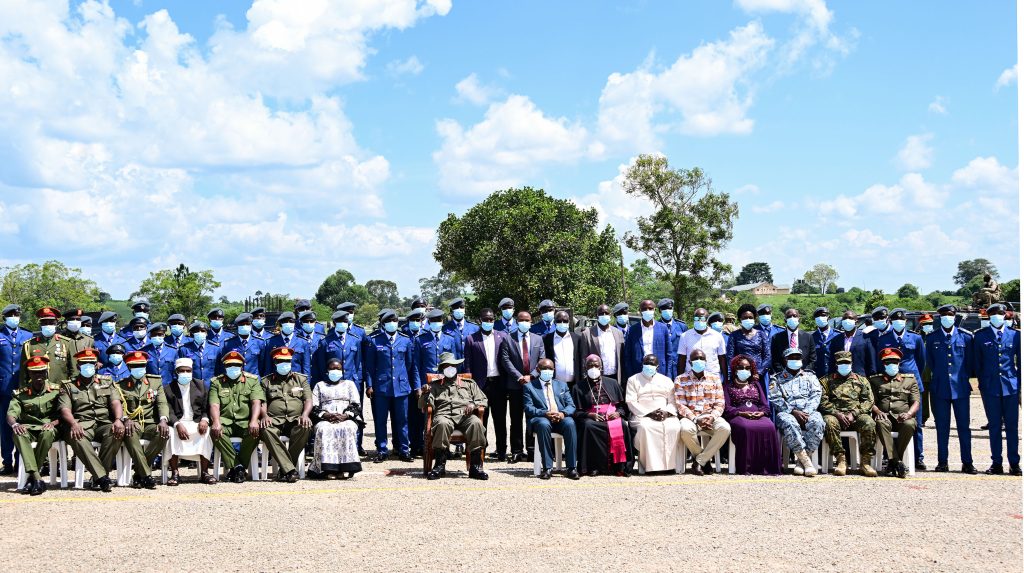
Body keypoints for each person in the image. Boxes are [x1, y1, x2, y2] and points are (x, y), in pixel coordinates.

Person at [58, 348, 124, 492]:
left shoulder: (106, 381)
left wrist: (118, 419)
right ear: (78, 366)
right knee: (76, 436)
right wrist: (74, 424)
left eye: (91, 363)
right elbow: (65, 410)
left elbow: (116, 402)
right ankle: (102, 477)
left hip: (103, 423)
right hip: (82, 424)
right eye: (84, 363)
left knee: (116, 432)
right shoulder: (69, 385)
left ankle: (97, 477)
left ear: (96, 365)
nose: (88, 366)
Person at [419, 352, 489, 480]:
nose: (449, 368)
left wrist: (473, 404)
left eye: (452, 365)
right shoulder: (434, 386)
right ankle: (439, 466)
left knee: (476, 423)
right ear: (442, 370)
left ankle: (476, 467)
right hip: (444, 415)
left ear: (456, 367)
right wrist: (424, 394)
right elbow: (422, 406)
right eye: (446, 366)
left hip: (465, 415)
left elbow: (483, 399)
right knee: (441, 424)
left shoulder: (469, 383)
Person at [925, 304, 976, 474]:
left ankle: (967, 462)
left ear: (955, 316)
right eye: (944, 315)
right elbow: (930, 362)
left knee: (964, 427)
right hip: (940, 388)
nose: (948, 317)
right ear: (940, 317)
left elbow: (969, 363)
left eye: (950, 314)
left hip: (960, 387)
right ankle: (942, 462)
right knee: (942, 427)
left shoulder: (966, 337)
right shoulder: (932, 338)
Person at [875, 308, 928, 470]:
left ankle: (918, 457)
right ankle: (890, 457)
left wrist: (910, 377)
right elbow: (881, 362)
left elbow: (922, 361)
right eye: (896, 320)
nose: (899, 322)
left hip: (911, 384)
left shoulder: (916, 338)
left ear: (906, 321)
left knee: (915, 423)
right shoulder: (884, 338)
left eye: (902, 320)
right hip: (890, 383)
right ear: (890, 322)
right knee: (887, 421)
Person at [973, 303, 1021, 476]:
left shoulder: (1016, 336)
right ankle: (996, 463)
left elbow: (1020, 363)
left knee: (1012, 427)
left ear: (1005, 315)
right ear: (989, 316)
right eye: (994, 314)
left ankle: (1014, 463)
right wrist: (983, 383)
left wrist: (1019, 385)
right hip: (990, 387)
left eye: (1001, 314)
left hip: (1011, 386)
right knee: (994, 426)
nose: (998, 317)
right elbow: (977, 364)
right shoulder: (980, 336)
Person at [364, 309, 417, 463]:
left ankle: (403, 449)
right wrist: (369, 385)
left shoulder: (406, 340)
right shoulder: (374, 340)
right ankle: (382, 450)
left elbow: (409, 364)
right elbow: (369, 366)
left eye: (395, 321)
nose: (392, 323)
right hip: (381, 387)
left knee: (402, 420)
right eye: (389, 321)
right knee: (380, 420)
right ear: (383, 324)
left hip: (400, 387)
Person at [312, 310, 365, 454]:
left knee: (354, 413)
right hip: (332, 384)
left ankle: (356, 445)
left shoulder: (355, 339)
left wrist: (357, 379)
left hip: (351, 382)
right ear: (335, 323)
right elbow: (322, 365)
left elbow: (358, 362)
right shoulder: (325, 341)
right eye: (340, 322)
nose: (343, 324)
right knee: (332, 417)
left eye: (345, 321)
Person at [7, 355, 61, 495]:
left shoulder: (56, 391)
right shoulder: (20, 394)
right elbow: (11, 415)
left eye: (42, 371)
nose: (39, 375)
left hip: (50, 428)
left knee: (47, 433)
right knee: (18, 433)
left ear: (46, 372)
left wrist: (54, 423)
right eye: (35, 372)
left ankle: (31, 478)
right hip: (29, 428)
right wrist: (15, 424)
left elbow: (64, 413)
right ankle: (37, 478)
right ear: (29, 373)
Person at [819, 350, 878, 477]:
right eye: (841, 363)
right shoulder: (826, 381)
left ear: (851, 363)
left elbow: (868, 401)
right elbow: (822, 402)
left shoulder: (861, 380)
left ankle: (865, 462)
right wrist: (837, 414)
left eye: (847, 363)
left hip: (856, 416)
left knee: (869, 423)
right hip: (835, 415)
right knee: (829, 422)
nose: (844, 365)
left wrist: (854, 413)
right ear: (836, 364)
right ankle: (841, 460)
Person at [209, 350, 265, 483]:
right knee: (216, 432)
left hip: (245, 422)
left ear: (242, 366)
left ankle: (235, 468)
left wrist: (254, 420)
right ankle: (239, 468)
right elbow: (214, 405)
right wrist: (216, 422)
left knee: (256, 432)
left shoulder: (252, 381)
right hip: (225, 421)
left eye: (236, 365)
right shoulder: (216, 382)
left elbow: (256, 402)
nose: (232, 368)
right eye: (229, 365)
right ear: (225, 367)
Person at [571, 355, 632, 476]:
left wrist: (618, 413)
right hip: (591, 418)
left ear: (601, 367)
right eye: (590, 366)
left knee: (623, 425)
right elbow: (575, 411)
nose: (593, 368)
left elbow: (622, 406)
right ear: (585, 367)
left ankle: (619, 466)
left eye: (596, 365)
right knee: (588, 426)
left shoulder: (612, 383)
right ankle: (594, 466)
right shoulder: (578, 387)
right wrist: (589, 415)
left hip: (610, 416)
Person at [259, 346, 313, 482]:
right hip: (274, 420)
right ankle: (289, 469)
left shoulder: (301, 380)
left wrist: (305, 414)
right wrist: (265, 416)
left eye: (287, 361)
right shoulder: (266, 381)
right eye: (281, 361)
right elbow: (262, 402)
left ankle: (286, 469)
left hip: (296, 419)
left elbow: (308, 400)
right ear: (275, 363)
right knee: (265, 429)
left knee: (306, 427)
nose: (285, 364)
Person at [464, 308, 511, 460]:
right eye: (486, 319)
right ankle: (480, 449)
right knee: (480, 419)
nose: (488, 322)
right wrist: (470, 388)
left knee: (500, 419)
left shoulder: (502, 336)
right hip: (480, 386)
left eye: (491, 319)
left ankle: (502, 450)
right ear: (480, 320)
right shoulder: (471, 339)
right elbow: (468, 366)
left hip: (498, 384)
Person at [115, 350, 167, 488]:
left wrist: (163, 420)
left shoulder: (155, 382)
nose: (139, 369)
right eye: (135, 366)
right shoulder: (121, 385)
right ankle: (146, 476)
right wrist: (125, 419)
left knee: (163, 433)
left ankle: (139, 473)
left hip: (150, 422)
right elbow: (119, 405)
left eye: (142, 365)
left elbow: (161, 402)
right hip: (133, 423)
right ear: (129, 367)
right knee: (130, 432)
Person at [498, 310, 545, 463]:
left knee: (532, 417)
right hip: (515, 385)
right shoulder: (508, 338)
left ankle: (531, 450)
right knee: (516, 419)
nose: (525, 322)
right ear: (517, 321)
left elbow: (542, 361)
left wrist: (531, 376)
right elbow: (505, 360)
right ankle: (517, 451)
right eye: (521, 320)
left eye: (527, 320)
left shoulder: (538, 339)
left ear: (531, 322)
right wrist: (519, 377)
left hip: (533, 385)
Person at [413, 309, 461, 457]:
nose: (436, 324)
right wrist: (417, 386)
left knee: (445, 413)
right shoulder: (421, 339)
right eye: (433, 321)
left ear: (442, 322)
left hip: (445, 383)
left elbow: (455, 363)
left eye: (439, 321)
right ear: (429, 323)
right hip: (427, 385)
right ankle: (428, 447)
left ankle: (445, 449)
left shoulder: (450, 339)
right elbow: (416, 365)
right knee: (427, 416)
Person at [674, 349, 730, 475]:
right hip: (691, 417)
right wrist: (696, 419)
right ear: (689, 362)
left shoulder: (714, 379)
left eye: (701, 359)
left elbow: (720, 403)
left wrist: (712, 417)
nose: (699, 361)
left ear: (706, 361)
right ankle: (705, 461)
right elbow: (681, 405)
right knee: (685, 430)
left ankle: (699, 462)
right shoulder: (680, 379)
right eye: (695, 359)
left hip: (710, 416)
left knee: (725, 428)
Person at [768, 349, 823, 477]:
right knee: (789, 422)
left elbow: (816, 395)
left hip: (808, 411)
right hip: (787, 412)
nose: (795, 360)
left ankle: (801, 461)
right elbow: (775, 398)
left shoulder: (810, 376)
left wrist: (806, 412)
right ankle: (807, 463)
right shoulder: (777, 378)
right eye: (791, 358)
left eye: (798, 358)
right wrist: (793, 411)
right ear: (785, 360)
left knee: (818, 422)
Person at [725, 354, 782, 475]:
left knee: (770, 426)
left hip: (757, 414)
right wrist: (741, 413)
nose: (744, 370)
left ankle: (769, 468)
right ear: (735, 369)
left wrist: (761, 413)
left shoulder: (756, 384)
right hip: (738, 415)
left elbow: (765, 405)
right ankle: (748, 467)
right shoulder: (728, 386)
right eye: (741, 367)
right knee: (746, 427)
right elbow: (727, 408)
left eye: (747, 368)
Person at [625, 354, 682, 473]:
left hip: (664, 414)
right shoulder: (633, 380)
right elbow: (631, 402)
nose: (649, 366)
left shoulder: (666, 380)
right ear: (642, 364)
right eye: (647, 363)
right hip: (642, 415)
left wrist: (666, 413)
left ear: (657, 366)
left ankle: (669, 466)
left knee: (674, 426)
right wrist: (649, 413)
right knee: (646, 427)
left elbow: (673, 401)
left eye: (652, 364)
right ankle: (650, 467)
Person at [868, 348, 920, 478]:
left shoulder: (909, 380)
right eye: (887, 362)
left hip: (903, 417)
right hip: (884, 416)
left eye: (894, 362)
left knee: (909, 424)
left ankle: (893, 461)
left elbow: (916, 401)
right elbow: (870, 401)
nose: (891, 365)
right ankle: (898, 462)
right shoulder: (875, 380)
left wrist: (909, 414)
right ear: (883, 364)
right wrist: (878, 411)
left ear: (899, 363)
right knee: (880, 423)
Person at [524, 358, 578, 480]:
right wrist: (545, 413)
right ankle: (547, 467)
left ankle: (571, 467)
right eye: (544, 368)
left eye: (550, 368)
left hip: (560, 418)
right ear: (538, 370)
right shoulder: (529, 387)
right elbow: (529, 408)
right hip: (541, 418)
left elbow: (571, 405)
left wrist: (562, 413)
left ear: (554, 370)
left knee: (570, 423)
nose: (547, 371)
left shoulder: (562, 385)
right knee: (543, 424)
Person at [310, 357, 363, 479]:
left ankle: (345, 468)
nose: (335, 371)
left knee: (347, 428)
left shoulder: (349, 384)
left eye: (338, 369)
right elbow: (314, 406)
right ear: (327, 371)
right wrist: (326, 415)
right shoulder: (320, 385)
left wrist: (345, 415)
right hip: (325, 418)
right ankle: (328, 469)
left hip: (346, 417)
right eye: (332, 369)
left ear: (342, 371)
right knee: (324, 429)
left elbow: (356, 404)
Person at [165, 358, 215, 485]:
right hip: (178, 422)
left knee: (205, 431)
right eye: (182, 371)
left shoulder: (201, 385)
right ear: (176, 372)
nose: (186, 373)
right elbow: (168, 410)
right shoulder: (169, 388)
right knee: (171, 433)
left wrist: (205, 419)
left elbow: (207, 407)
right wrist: (177, 424)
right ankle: (175, 473)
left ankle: (204, 472)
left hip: (196, 421)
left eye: (188, 371)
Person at [0, 303, 34, 475]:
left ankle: (22, 461)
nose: (15, 317)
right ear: (5, 317)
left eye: (17, 314)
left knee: (23, 424)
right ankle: (7, 462)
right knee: (6, 426)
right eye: (11, 315)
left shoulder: (28, 335)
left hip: (23, 388)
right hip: (4, 388)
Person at [20, 307, 75, 389]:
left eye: (51, 323)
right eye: (44, 323)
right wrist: (24, 390)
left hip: (61, 390)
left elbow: (74, 370)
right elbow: (23, 374)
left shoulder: (67, 343)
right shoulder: (29, 345)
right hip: (37, 392)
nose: (48, 325)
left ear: (56, 323)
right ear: (40, 325)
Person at [579, 304, 625, 390]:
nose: (604, 315)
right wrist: (585, 378)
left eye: (606, 313)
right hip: (596, 377)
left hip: (615, 376)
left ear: (610, 315)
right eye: (601, 313)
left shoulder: (618, 333)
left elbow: (621, 357)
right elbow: (583, 358)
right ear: (597, 315)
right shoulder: (587, 334)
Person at [624, 299, 672, 382]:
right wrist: (630, 375)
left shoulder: (663, 328)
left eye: (650, 308)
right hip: (638, 373)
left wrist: (668, 375)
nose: (647, 311)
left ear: (654, 310)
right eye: (644, 309)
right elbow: (627, 356)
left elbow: (669, 354)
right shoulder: (632, 330)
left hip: (660, 372)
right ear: (640, 310)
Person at [726, 303, 770, 389]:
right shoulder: (734, 335)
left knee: (760, 400)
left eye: (750, 318)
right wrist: (735, 374)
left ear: (754, 319)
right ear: (740, 319)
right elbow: (730, 357)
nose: (748, 320)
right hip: (740, 375)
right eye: (745, 318)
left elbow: (767, 356)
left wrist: (759, 373)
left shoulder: (761, 335)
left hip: (759, 376)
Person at [676, 307, 727, 378]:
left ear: (706, 320)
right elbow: (681, 359)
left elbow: (722, 359)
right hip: (690, 377)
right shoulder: (685, 336)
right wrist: (679, 378)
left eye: (702, 319)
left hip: (713, 377)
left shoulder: (717, 336)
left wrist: (726, 379)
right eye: (697, 319)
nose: (699, 321)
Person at [261, 312, 312, 377]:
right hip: (276, 381)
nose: (288, 324)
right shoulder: (271, 342)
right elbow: (268, 366)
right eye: (285, 321)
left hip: (296, 381)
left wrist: (305, 385)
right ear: (281, 324)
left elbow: (306, 367)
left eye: (291, 321)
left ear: (294, 323)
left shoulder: (303, 342)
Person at [828, 310, 876, 377]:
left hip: (860, 379)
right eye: (845, 318)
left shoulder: (866, 338)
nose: (847, 320)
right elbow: (832, 361)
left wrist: (870, 377)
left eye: (850, 318)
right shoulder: (836, 340)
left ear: (856, 322)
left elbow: (871, 361)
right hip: (840, 379)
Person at [542, 310, 584, 387]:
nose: (562, 323)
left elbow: (581, 360)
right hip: (554, 384)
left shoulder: (577, 339)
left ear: (569, 322)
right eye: (559, 321)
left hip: (574, 384)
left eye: (565, 321)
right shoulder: (546, 339)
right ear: (554, 322)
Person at [771, 308, 815, 374]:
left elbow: (813, 359)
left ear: (799, 319)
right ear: (785, 320)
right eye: (789, 316)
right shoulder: (777, 338)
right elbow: (775, 359)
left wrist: (805, 372)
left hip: (804, 375)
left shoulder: (808, 337)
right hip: (784, 376)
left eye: (794, 316)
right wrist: (783, 373)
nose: (792, 318)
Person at [221, 313, 267, 377]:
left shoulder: (259, 342)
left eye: (247, 324)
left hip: (254, 381)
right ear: (237, 326)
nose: (245, 326)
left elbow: (262, 364)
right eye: (242, 324)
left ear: (251, 325)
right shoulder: (228, 343)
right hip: (235, 380)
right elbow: (224, 364)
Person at [177, 322, 221, 388]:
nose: (200, 333)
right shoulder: (184, 349)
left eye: (203, 331)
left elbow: (219, 369)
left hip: (211, 387)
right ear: (193, 333)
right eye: (197, 331)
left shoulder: (215, 348)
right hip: (192, 387)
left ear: (206, 333)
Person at [657, 298, 688, 379]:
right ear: (660, 311)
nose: (667, 310)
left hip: (678, 366)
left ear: (673, 309)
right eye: (664, 309)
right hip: (662, 367)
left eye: (670, 308)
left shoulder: (682, 326)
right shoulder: (655, 326)